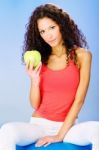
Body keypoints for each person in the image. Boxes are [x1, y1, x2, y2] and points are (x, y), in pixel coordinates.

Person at [0, 3, 99, 150]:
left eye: (52, 28)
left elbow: (79, 100)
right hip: (39, 125)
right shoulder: (41, 59)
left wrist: (59, 135)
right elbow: (35, 105)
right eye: (43, 31)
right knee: (7, 130)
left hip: (69, 127)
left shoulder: (82, 56)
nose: (48, 35)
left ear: (62, 25)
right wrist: (34, 80)